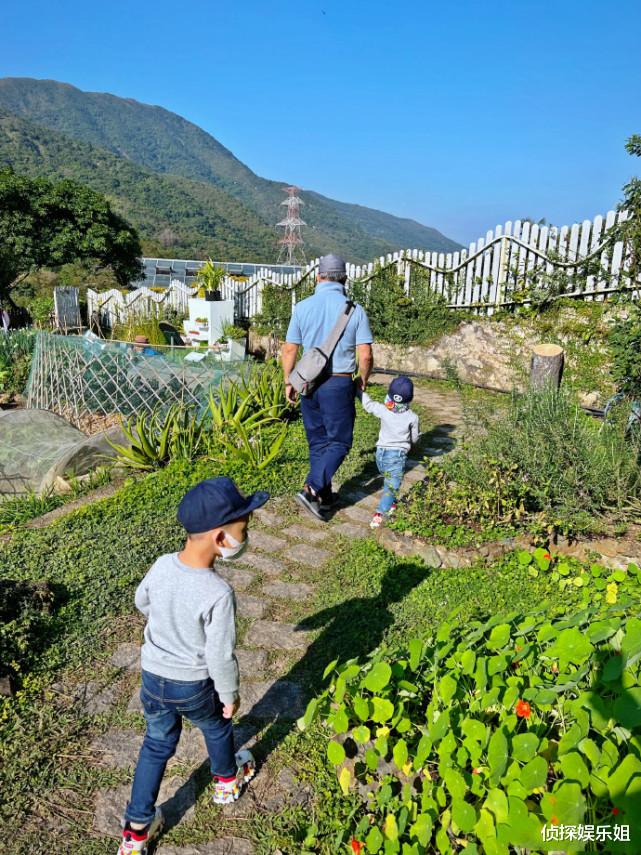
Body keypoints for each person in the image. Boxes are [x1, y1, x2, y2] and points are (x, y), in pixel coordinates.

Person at [117, 477, 269, 855]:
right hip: (193, 684)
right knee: (217, 726)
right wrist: (229, 694)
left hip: (152, 678)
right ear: (220, 539)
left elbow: (142, 601)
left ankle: (136, 831)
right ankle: (225, 782)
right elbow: (220, 654)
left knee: (156, 744)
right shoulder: (218, 593)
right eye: (242, 531)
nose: (244, 538)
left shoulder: (161, 564)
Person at [282, 254, 374, 521]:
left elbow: (289, 349)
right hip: (339, 382)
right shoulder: (354, 310)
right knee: (340, 441)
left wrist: (289, 380)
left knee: (318, 441)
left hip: (309, 382)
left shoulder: (302, 307)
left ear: (318, 277)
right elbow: (365, 355)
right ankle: (312, 488)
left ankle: (323, 496)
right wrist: (364, 379)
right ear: (344, 278)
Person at [358, 376, 420, 529]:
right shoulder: (412, 417)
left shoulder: (383, 409)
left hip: (380, 455)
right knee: (392, 485)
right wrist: (414, 443)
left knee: (388, 479)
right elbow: (415, 438)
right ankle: (380, 513)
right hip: (396, 457)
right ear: (410, 398)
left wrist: (358, 390)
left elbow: (368, 404)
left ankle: (390, 502)